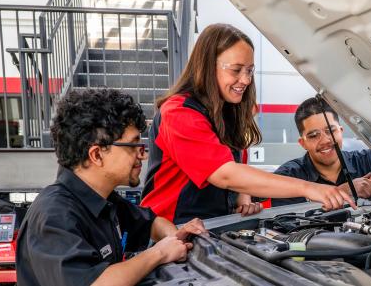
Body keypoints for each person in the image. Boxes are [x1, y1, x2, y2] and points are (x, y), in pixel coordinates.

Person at [140, 23, 355, 224]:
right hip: (169, 232)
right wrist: (308, 188)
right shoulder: (179, 113)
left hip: (210, 227)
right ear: (207, 66)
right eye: (236, 70)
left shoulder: (225, 112)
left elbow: (235, 168)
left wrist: (241, 196)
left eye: (249, 70)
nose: (245, 80)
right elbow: (224, 173)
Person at [16, 89, 207, 286]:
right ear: (97, 155)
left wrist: (176, 237)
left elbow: (151, 223)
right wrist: (159, 252)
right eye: (134, 146)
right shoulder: (54, 215)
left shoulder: (104, 200)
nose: (143, 155)